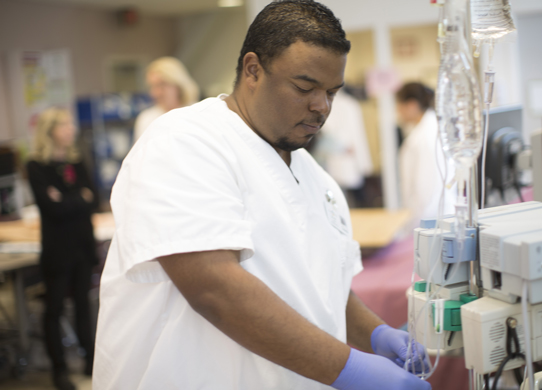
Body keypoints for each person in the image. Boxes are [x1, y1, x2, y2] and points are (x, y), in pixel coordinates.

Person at [93, 1, 431, 389]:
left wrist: (374, 334)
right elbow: (213, 288)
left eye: (331, 92)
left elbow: (325, 286)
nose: (321, 106)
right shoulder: (185, 142)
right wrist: (348, 368)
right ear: (253, 69)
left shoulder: (315, 178)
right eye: (305, 87)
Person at [27, 107, 98, 390]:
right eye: (64, 124)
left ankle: (91, 360)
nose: (71, 129)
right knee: (54, 308)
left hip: (82, 245)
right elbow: (51, 209)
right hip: (58, 250)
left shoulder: (77, 162)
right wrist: (77, 198)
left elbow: (94, 199)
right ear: (50, 131)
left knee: (84, 305)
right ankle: (59, 369)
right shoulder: (36, 166)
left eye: (70, 124)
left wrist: (68, 199)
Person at [397, 82, 456, 229]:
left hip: (430, 217)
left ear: (411, 105)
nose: (397, 111)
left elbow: (423, 187)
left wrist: (413, 222)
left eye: (399, 106)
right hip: (443, 212)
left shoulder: (422, 138)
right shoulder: (434, 128)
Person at [133, 56, 200, 141]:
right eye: (152, 86)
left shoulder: (197, 115)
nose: (155, 93)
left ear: (178, 85)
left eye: (162, 85)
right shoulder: (146, 119)